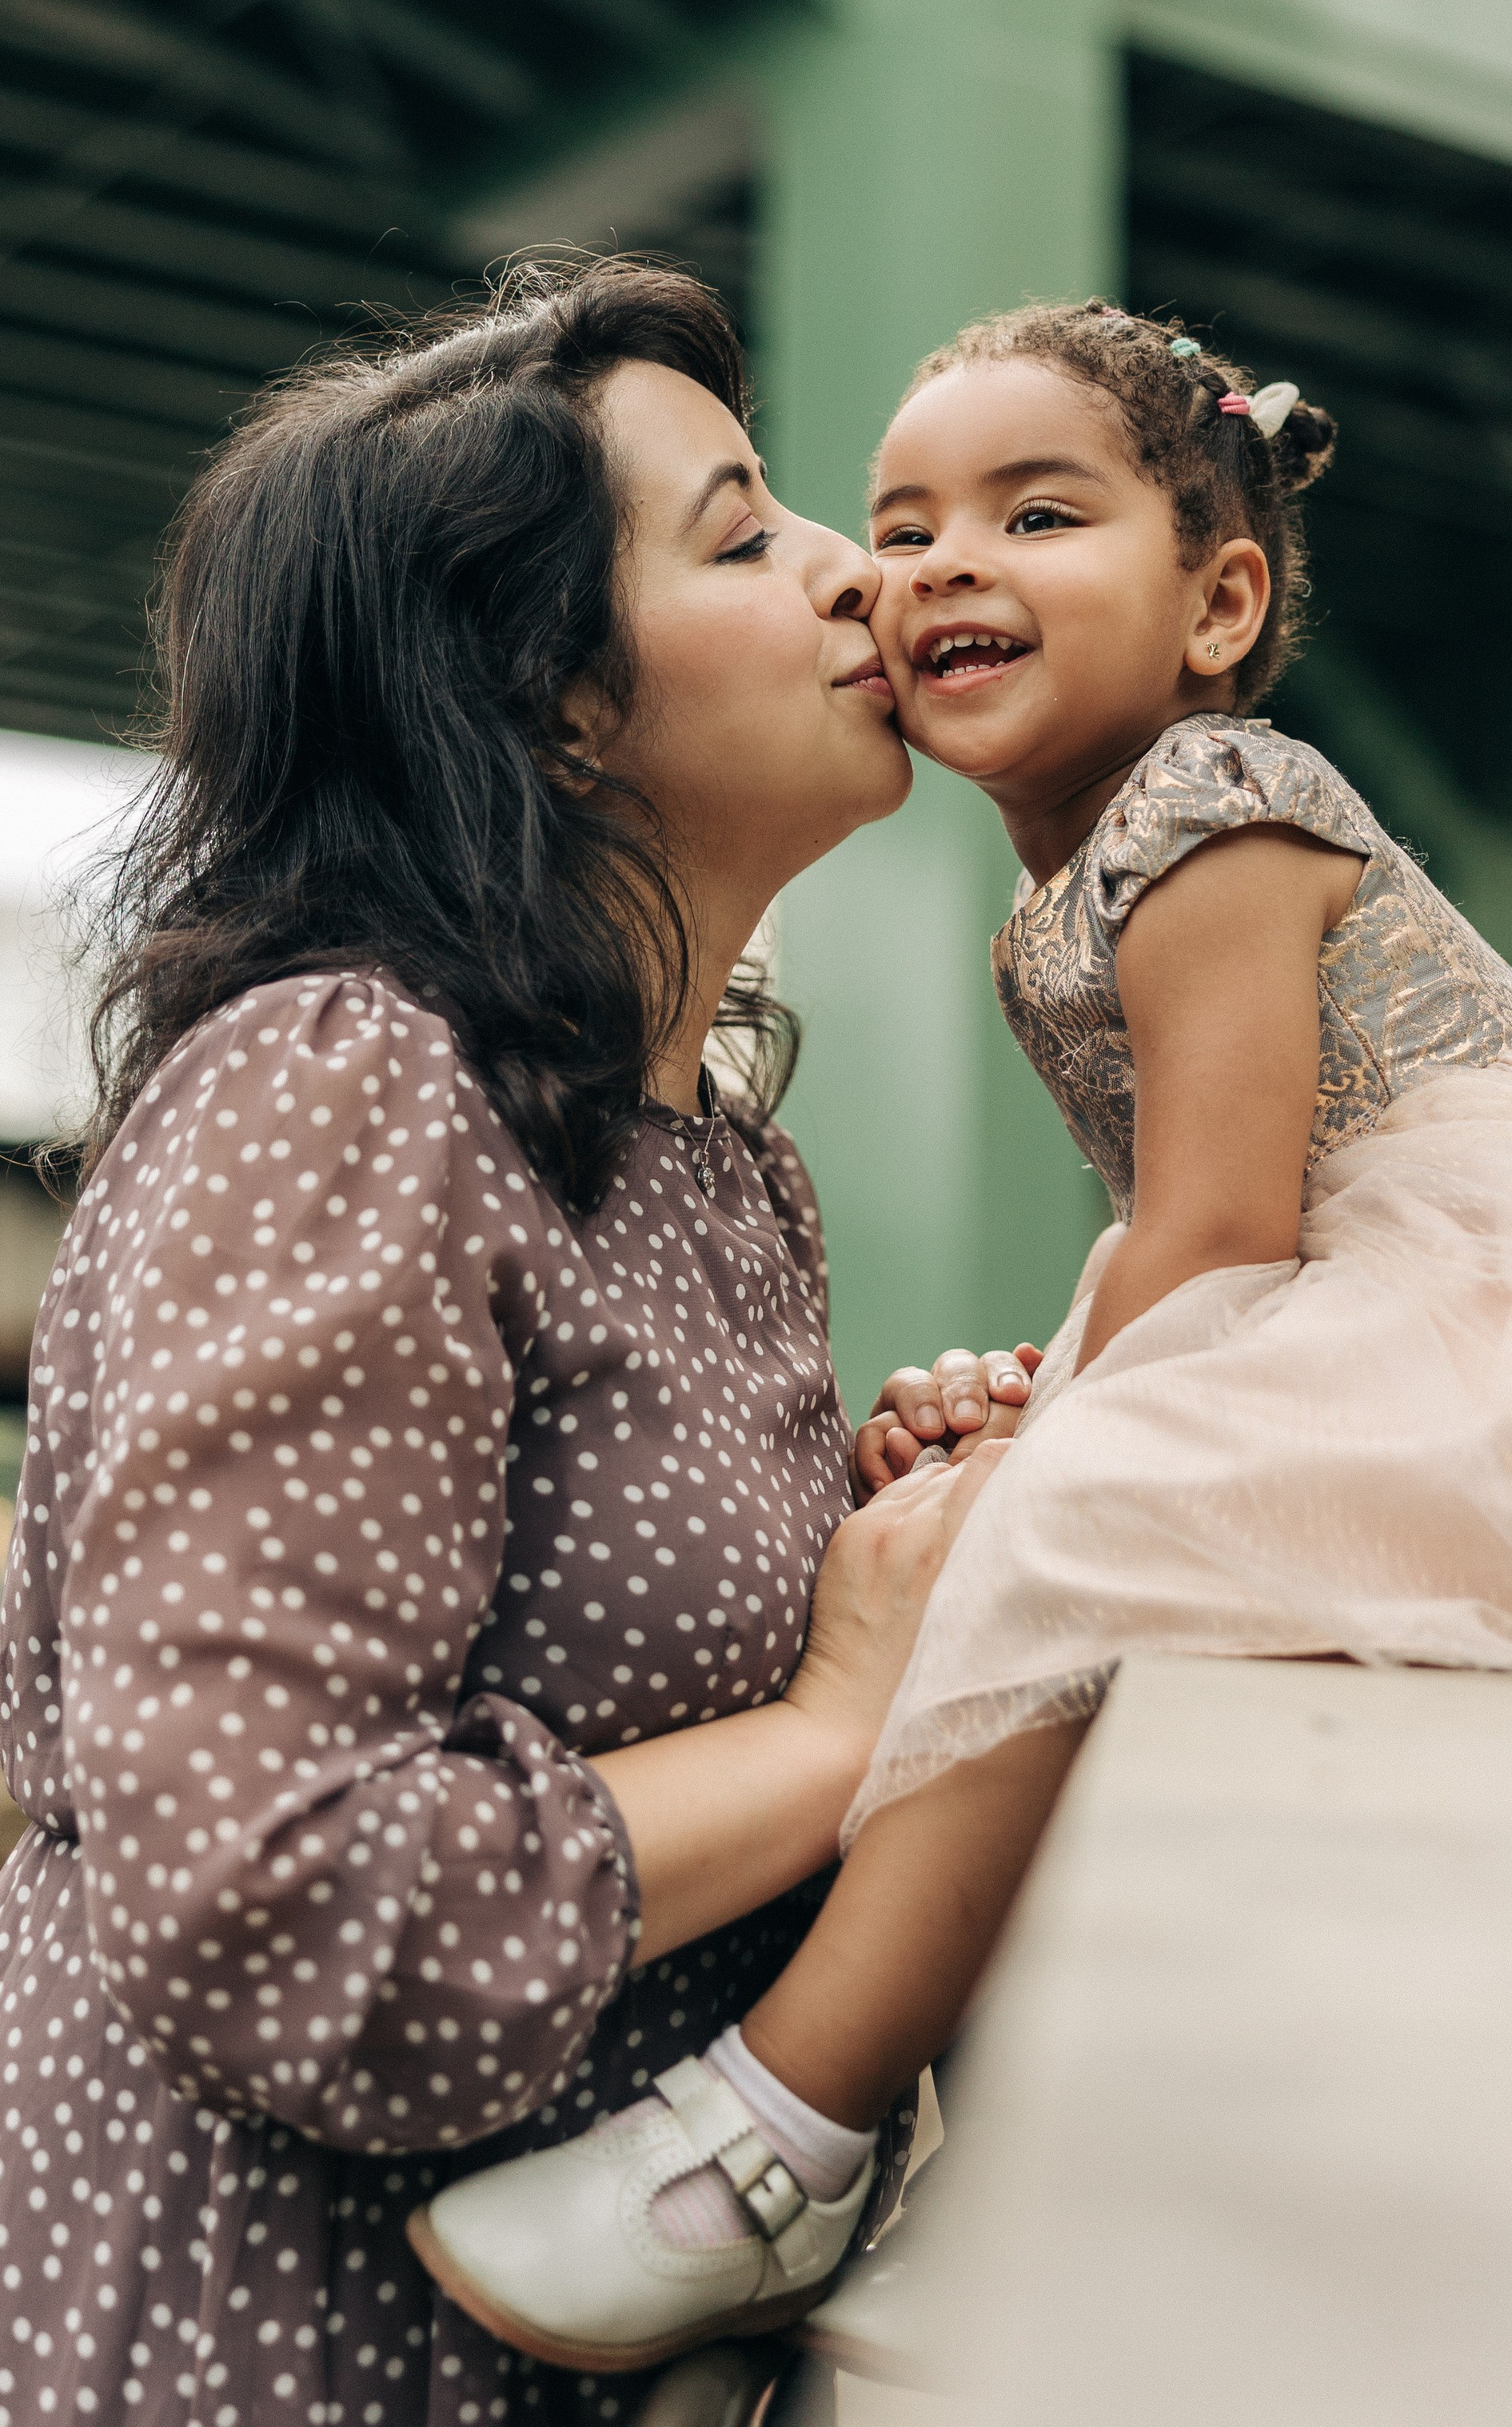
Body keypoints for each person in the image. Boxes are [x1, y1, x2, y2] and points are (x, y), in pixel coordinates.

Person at [417, 297, 1512, 2373]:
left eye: (1037, 512)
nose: (939, 570)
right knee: (1075, 1511)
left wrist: (1067, 1438)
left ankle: (778, 2134)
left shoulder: (1213, 808)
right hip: (1384, 1284)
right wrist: (1050, 1384)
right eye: (903, 527)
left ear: (1222, 603)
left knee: (1074, 1541)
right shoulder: (1090, 867)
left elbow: (1212, 1228)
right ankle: (864, 2126)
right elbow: (1170, 1241)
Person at [0, 257, 1015, 2427]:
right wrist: (843, 1720)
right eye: (746, 536)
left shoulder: (719, 1171)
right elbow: (266, 1896)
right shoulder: (339, 1089)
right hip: (277, 2353)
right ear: (552, 706)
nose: (865, 578)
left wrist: (883, 1531)